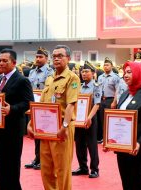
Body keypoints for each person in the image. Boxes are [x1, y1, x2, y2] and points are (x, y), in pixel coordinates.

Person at [28, 45, 80, 190]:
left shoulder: (72, 78)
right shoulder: (50, 78)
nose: (56, 59)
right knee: (46, 169)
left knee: (62, 169)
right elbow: (41, 104)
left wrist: (64, 126)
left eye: (60, 56)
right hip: (46, 129)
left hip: (62, 128)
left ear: (68, 59)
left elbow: (71, 104)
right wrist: (31, 123)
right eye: (54, 56)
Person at [0, 48, 34, 190]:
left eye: (5, 61)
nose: (1, 63)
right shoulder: (0, 78)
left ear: (14, 62)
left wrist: (12, 109)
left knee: (11, 165)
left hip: (13, 129)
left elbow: (28, 102)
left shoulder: (22, 80)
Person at [107, 62, 141, 190]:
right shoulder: (125, 94)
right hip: (123, 149)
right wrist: (110, 141)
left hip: (139, 149)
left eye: (129, 72)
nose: (125, 75)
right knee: (126, 182)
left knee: (138, 184)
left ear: (138, 73)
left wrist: (139, 143)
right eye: (124, 72)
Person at [25, 47, 54, 170]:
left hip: (45, 106)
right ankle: (37, 158)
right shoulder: (32, 72)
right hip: (34, 105)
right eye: (36, 56)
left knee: (44, 135)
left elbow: (51, 90)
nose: (37, 59)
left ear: (46, 59)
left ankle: (44, 160)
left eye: (40, 57)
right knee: (36, 133)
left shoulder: (50, 72)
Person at [72, 62, 101, 178]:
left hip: (90, 118)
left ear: (93, 73)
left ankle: (94, 169)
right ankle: (83, 167)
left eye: (86, 71)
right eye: (82, 72)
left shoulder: (96, 86)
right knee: (79, 144)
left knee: (92, 144)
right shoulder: (78, 86)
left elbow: (97, 104)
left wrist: (89, 118)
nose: (84, 74)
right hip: (78, 119)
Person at [97, 57, 120, 143]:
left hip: (111, 100)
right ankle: (104, 138)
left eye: (107, 65)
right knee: (102, 120)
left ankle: (111, 138)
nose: (106, 67)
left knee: (110, 120)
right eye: (105, 65)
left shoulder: (115, 77)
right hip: (102, 100)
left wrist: (114, 102)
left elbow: (117, 91)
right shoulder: (100, 77)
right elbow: (98, 90)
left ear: (112, 66)